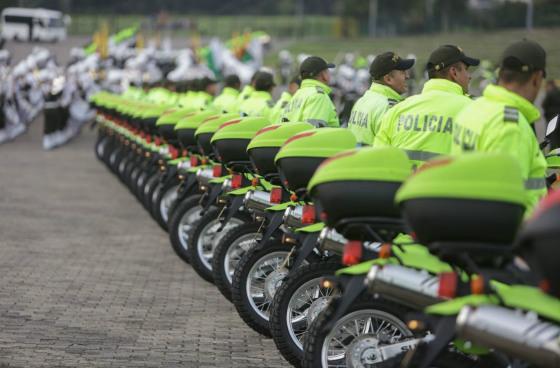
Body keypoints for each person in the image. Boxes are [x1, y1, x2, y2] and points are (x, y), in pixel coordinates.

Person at [452, 40, 548, 212]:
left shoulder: (474, 109)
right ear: (536, 78)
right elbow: (505, 205)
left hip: (468, 222)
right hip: (513, 235)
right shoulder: (511, 127)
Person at [374, 45, 479, 166]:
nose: (469, 76)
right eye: (466, 69)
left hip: (404, 184)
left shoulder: (397, 110)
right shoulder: (472, 110)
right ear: (454, 72)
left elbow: (378, 159)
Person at [347, 52, 415, 146]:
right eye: (403, 72)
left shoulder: (362, 101)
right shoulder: (390, 108)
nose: (407, 76)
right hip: (378, 160)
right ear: (388, 79)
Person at [282, 56, 339, 127]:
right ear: (324, 75)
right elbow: (314, 132)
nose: (329, 74)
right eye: (327, 71)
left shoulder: (297, 94)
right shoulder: (318, 96)